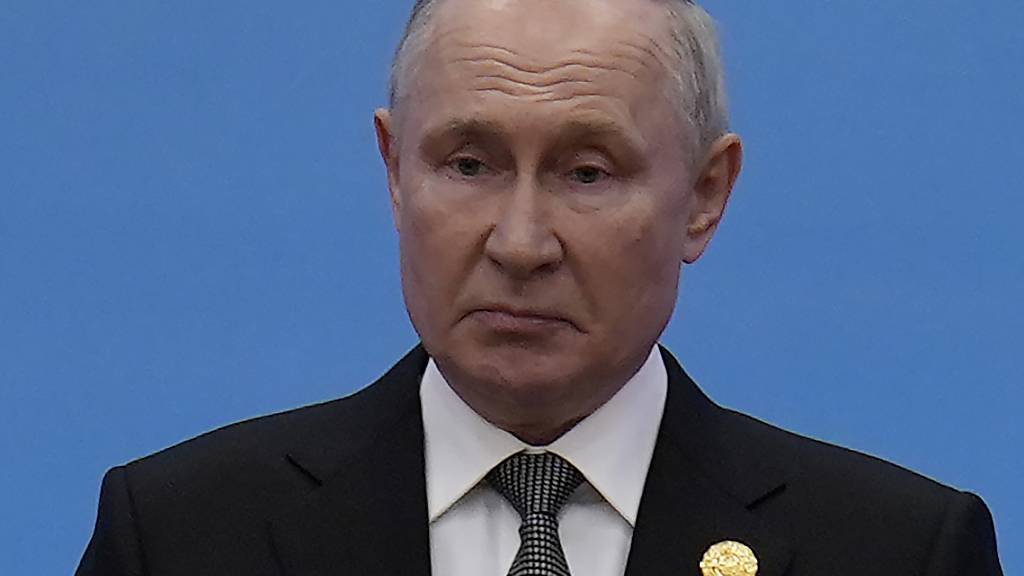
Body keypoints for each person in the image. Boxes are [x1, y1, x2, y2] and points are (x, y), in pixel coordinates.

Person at [76, 0, 1004, 574]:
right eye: (469, 164)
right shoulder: (178, 537)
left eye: (588, 172)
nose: (520, 244)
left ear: (704, 197)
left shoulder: (899, 550)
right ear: (394, 173)